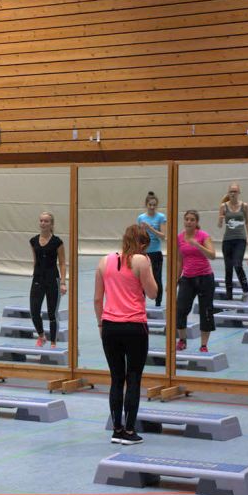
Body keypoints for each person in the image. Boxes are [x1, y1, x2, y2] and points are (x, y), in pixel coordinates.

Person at [94, 224, 158, 445]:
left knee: (116, 378)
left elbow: (97, 299)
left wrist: (100, 324)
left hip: (110, 325)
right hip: (134, 326)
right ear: (142, 244)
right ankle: (129, 431)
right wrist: (149, 268)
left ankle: (117, 430)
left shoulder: (104, 261)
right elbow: (153, 293)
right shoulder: (141, 260)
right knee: (133, 378)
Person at [176, 210, 217, 352]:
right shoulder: (179, 237)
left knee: (206, 311)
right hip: (187, 278)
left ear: (196, 222)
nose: (189, 222)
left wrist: (197, 245)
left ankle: (203, 345)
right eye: (186, 219)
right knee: (180, 310)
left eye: (192, 219)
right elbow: (179, 260)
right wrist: (176, 279)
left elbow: (212, 255)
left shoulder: (203, 236)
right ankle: (182, 340)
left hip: (205, 278)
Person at [29, 211, 67, 347]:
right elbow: (35, 261)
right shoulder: (33, 241)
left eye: (46, 221)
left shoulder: (57, 242)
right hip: (38, 279)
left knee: (52, 313)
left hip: (52, 280)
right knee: (34, 311)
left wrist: (63, 282)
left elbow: (62, 263)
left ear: (51, 224)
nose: (43, 223)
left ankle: (53, 342)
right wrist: (34, 274)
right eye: (41, 221)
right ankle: (41, 335)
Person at [218, 183, 248, 301]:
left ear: (239, 192)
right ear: (228, 193)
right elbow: (219, 225)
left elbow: (247, 221)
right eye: (231, 191)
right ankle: (229, 295)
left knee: (237, 264)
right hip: (227, 240)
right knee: (228, 268)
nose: (233, 193)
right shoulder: (223, 206)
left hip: (240, 239)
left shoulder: (244, 206)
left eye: (235, 191)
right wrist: (220, 219)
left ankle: (246, 291)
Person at [136, 191, 166, 307]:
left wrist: (150, 228)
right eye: (150, 205)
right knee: (141, 279)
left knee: (157, 278)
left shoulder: (161, 217)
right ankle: (141, 303)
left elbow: (163, 236)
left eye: (154, 205)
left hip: (156, 252)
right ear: (146, 205)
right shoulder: (141, 218)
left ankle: (158, 303)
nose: (152, 207)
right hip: (143, 253)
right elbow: (138, 236)